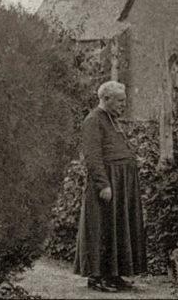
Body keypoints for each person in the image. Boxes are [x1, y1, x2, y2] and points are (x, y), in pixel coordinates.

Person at [74, 81, 147, 293]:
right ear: (106, 99)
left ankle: (114, 275)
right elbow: (92, 156)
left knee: (117, 228)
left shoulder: (112, 119)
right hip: (108, 183)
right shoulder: (93, 120)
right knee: (102, 228)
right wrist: (103, 184)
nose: (124, 105)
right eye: (120, 101)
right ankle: (97, 277)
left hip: (121, 182)